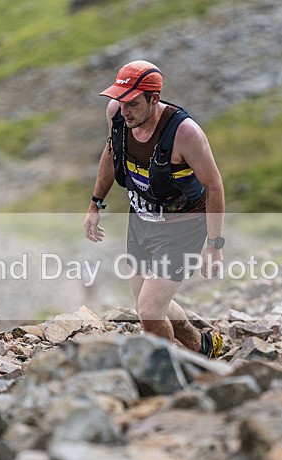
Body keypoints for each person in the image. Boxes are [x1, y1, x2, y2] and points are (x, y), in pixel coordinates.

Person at [83, 60, 226, 357]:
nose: (125, 111)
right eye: (120, 101)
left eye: (133, 103)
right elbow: (110, 155)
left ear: (154, 99)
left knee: (148, 311)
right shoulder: (118, 115)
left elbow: (214, 186)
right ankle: (202, 345)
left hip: (181, 226)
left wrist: (214, 245)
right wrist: (95, 203)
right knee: (145, 302)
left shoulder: (185, 134)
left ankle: (166, 375)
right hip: (141, 218)